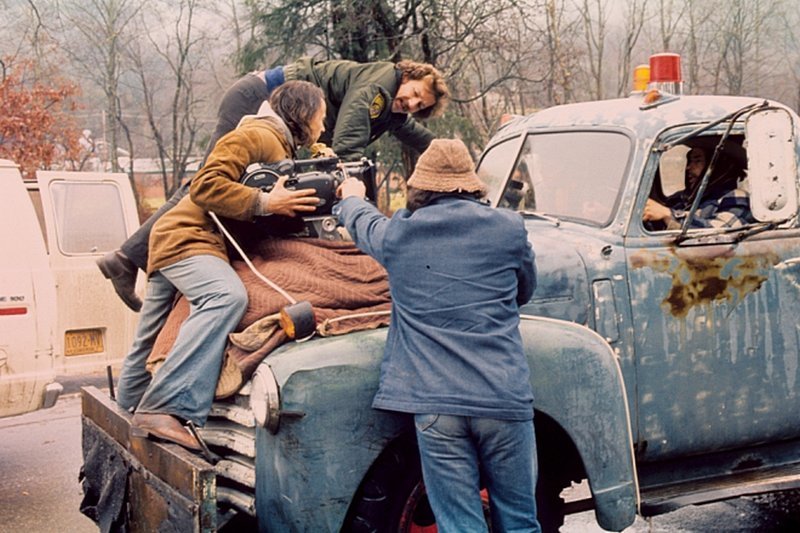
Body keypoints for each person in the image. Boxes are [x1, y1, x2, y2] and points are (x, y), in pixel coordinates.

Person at [97, 57, 450, 312]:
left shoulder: (392, 109)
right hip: (260, 96)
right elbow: (350, 134)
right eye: (416, 93)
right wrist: (346, 175)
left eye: (421, 105)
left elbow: (416, 134)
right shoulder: (381, 82)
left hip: (269, 98)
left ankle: (135, 258)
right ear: (407, 74)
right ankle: (128, 258)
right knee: (208, 181)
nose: (414, 104)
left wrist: (451, 156)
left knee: (216, 182)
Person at [337, 139, 541, 532]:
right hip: (502, 398)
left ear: (420, 187)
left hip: (436, 406)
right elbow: (524, 292)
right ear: (471, 184)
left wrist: (350, 197)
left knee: (459, 525)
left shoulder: (400, 235)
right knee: (519, 521)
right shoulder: (509, 229)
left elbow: (363, 223)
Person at [115, 80, 326, 451]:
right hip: (190, 236)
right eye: (321, 119)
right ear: (304, 115)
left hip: (172, 237)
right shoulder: (258, 134)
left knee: (150, 333)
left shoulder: (278, 144)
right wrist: (266, 202)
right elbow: (205, 186)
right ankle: (164, 408)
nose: (323, 129)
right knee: (225, 296)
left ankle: (126, 406)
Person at [643, 143, 754, 230]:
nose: (688, 168)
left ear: (719, 166)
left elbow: (721, 233)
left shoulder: (736, 197)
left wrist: (667, 215)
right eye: (689, 161)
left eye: (697, 161)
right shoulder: (682, 198)